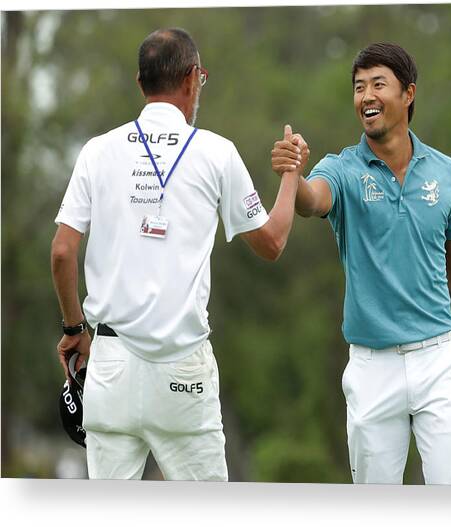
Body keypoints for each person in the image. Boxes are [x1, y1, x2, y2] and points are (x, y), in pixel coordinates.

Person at [51, 28, 305, 480]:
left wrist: (74, 327)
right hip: (183, 370)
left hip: (111, 364)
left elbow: (63, 252)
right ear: (192, 79)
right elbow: (272, 243)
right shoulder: (216, 153)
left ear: (140, 82)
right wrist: (289, 175)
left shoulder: (96, 152)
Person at [271, 42, 451, 485]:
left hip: (440, 358)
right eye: (359, 87)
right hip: (372, 367)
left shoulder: (446, 171)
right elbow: (312, 201)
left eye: (378, 84)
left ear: (408, 94)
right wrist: (293, 174)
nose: (366, 96)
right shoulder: (342, 169)